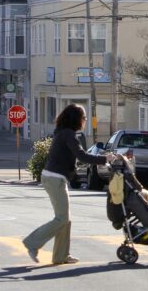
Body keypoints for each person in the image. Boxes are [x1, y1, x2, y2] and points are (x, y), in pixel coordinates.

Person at [23, 104, 117, 265]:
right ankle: (32, 243)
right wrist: (105, 159)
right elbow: (82, 156)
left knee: (65, 219)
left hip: (54, 177)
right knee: (61, 219)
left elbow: (74, 157)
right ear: (76, 119)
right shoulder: (68, 134)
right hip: (54, 178)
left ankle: (61, 256)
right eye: (84, 117)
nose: (85, 120)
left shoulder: (64, 133)